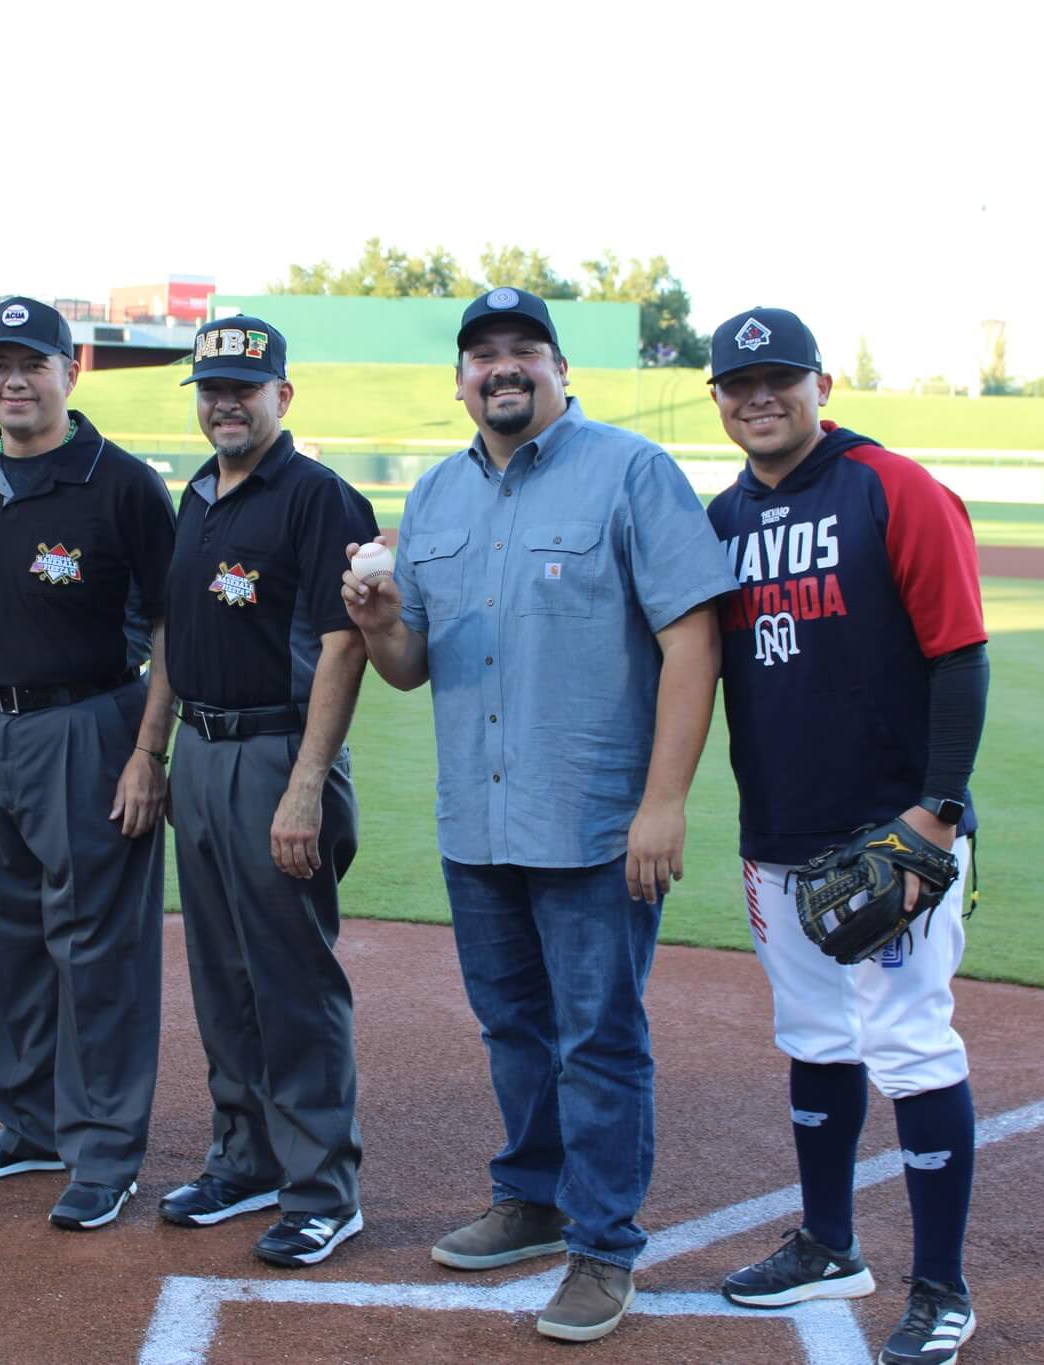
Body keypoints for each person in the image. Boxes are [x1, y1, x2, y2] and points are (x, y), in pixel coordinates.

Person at [343, 287, 734, 1343]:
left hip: (596, 821)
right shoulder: (434, 496)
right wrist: (377, 624)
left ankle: (602, 1249)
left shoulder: (630, 472)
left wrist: (663, 804)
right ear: (460, 379)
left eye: (523, 351)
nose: (501, 368)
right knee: (514, 1028)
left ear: (561, 371)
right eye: (481, 355)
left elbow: (691, 640)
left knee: (598, 1038)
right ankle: (530, 1194)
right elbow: (408, 667)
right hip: (477, 820)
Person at [701, 307, 988, 1365]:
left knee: (910, 1046)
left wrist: (934, 815)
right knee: (813, 1039)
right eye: (737, 384)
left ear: (820, 384)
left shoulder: (888, 487)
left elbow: (959, 655)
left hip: (890, 837)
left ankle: (940, 1288)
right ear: (717, 400)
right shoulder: (720, 517)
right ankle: (828, 1242)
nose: (757, 397)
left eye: (778, 378)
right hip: (777, 833)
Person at [0, 297, 177, 1232]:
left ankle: (106, 1148)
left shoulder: (120, 483)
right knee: (11, 936)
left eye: (32, 362)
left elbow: (169, 625)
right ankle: (30, 1123)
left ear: (71, 371)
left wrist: (148, 750)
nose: (14, 380)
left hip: (89, 726)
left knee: (98, 946)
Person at [159, 315, 379, 1267]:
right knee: (222, 976)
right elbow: (172, 637)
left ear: (282, 395)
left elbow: (344, 646)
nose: (224, 403)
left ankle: (324, 1187)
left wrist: (305, 788)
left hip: (278, 752)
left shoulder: (321, 497)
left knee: (293, 980)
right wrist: (152, 752)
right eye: (211, 388)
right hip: (203, 752)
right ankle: (243, 1158)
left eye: (243, 388)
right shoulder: (197, 493)